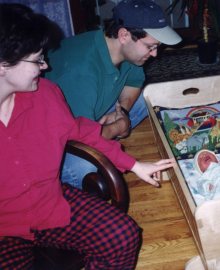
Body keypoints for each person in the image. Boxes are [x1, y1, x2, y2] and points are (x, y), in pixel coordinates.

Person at [0, 3, 175, 269]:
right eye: (37, 60)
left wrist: (135, 165)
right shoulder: (78, 71)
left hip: (50, 205)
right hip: (5, 229)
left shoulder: (45, 93)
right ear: (3, 65)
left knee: (123, 235)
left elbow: (82, 130)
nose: (45, 65)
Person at [45, 0, 182, 189]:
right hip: (56, 143)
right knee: (88, 165)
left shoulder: (124, 50)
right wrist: (119, 127)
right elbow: (79, 138)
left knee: (149, 97)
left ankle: (107, 130)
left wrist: (123, 112)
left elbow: (134, 83)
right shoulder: (81, 71)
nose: (155, 54)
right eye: (150, 46)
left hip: (87, 117)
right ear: (124, 35)